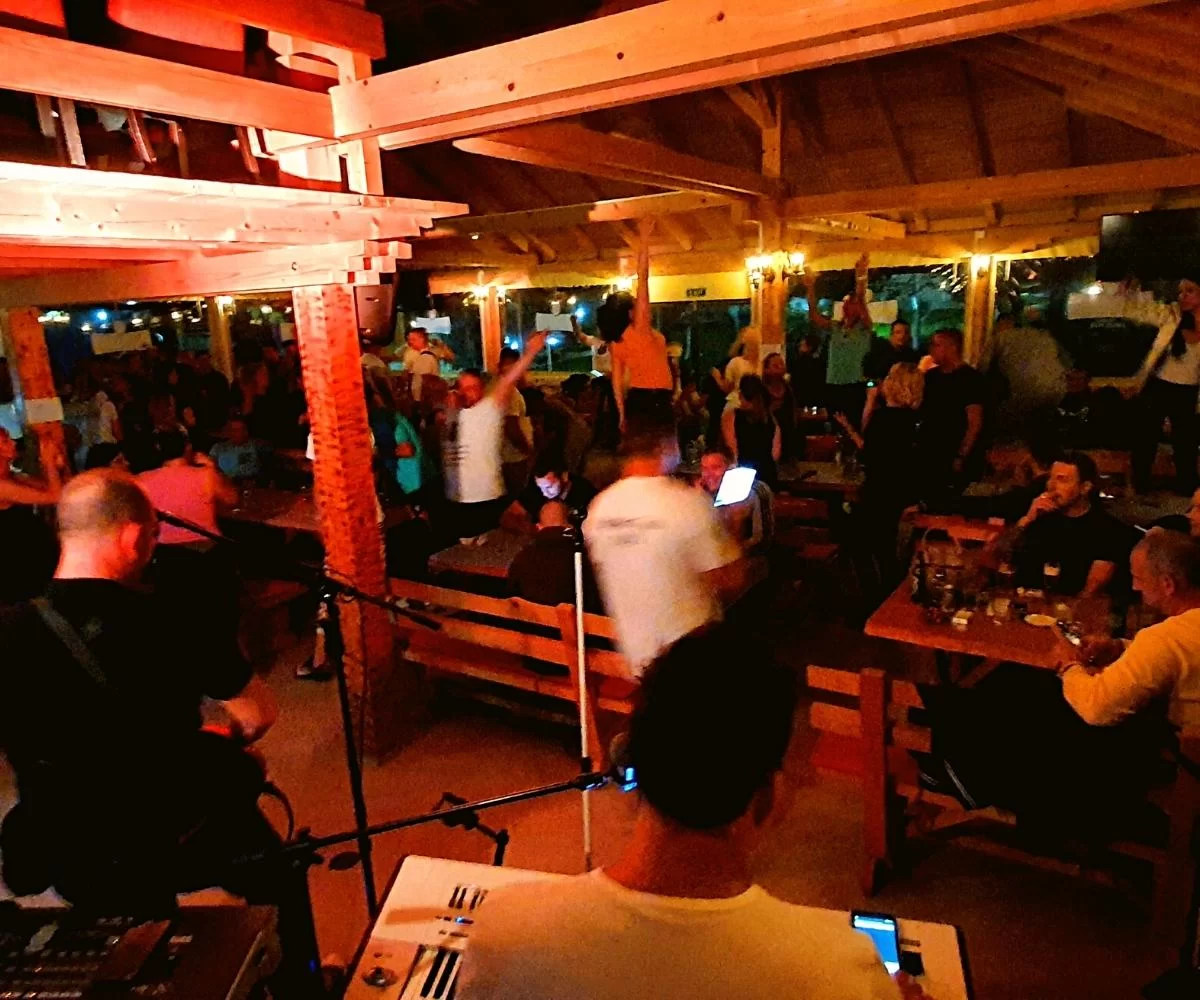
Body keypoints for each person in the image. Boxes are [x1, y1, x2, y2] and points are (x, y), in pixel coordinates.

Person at [458, 628, 906, 1000]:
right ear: (767, 798)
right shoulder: (841, 971)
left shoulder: (504, 930)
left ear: (629, 762)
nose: (808, 777)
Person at [0, 471, 317, 991]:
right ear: (131, 537)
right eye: (151, 538)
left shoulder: (8, 630)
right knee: (278, 871)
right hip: (171, 827)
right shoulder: (170, 615)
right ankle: (302, 986)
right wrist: (225, 739)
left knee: (137, 945)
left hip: (71, 842)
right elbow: (258, 713)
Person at [918, 529, 1200, 839]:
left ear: (1168, 584)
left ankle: (958, 769)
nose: (1134, 586)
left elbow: (1096, 708)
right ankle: (955, 757)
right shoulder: (1186, 629)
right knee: (1022, 688)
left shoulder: (1165, 639)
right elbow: (1174, 658)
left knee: (1020, 700)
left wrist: (1068, 665)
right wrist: (1119, 647)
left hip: (1167, 761)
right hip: (1173, 745)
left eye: (1139, 579)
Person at [585, 414, 745, 674]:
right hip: (692, 657)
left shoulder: (599, 509)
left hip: (636, 658)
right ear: (666, 445)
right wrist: (734, 522)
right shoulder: (685, 503)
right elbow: (731, 578)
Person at [443, 333, 547, 544]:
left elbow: (508, 381)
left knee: (501, 539)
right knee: (468, 547)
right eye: (464, 388)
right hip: (459, 497)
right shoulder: (452, 415)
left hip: (486, 494)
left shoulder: (487, 411)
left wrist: (531, 352)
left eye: (474, 388)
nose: (468, 393)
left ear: (481, 389)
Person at [836, 362, 923, 593]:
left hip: (879, 492)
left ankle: (875, 596)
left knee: (860, 546)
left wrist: (869, 402)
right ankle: (889, 595)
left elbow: (868, 451)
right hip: (902, 494)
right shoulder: (914, 420)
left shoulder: (884, 417)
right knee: (888, 550)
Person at [1009, 452, 1136, 597]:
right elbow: (997, 558)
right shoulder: (1039, 516)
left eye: (1061, 480)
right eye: (1050, 478)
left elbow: (1090, 592)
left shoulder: (1107, 530)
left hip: (1067, 607)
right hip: (1022, 602)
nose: (1051, 486)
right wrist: (1026, 520)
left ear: (1085, 487)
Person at [1130, 276, 1200, 495]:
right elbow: (1140, 312)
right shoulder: (1173, 315)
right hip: (1159, 384)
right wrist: (1134, 292)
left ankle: (1186, 488)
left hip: (1188, 389)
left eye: (1189, 291)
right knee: (1146, 437)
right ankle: (1141, 484)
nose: (1182, 296)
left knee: (1185, 442)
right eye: (1180, 291)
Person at [916, 328, 987, 507]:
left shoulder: (971, 379)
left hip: (952, 451)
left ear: (952, 347)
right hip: (929, 451)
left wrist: (961, 455)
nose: (931, 350)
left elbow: (974, 422)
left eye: (936, 345)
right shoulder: (930, 377)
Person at [0, 427, 62, 605]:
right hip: (16, 557)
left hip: (30, 549)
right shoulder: (2, 486)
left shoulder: (14, 476)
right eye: (5, 441)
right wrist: (49, 464)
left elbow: (53, 489)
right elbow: (55, 497)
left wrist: (54, 464)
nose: (13, 443)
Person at [508, 500, 599, 610]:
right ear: (570, 525)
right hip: (577, 619)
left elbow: (512, 594)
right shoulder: (583, 557)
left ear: (538, 527)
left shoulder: (523, 557)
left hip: (531, 619)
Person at [697, 448, 773, 553]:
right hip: (716, 555)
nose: (708, 474)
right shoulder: (704, 491)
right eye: (704, 469)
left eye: (715, 467)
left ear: (732, 468)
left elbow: (761, 541)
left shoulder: (755, 490)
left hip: (749, 557)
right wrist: (699, 499)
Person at [721, 374, 781, 490]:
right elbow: (775, 453)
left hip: (743, 474)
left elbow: (732, 450)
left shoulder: (731, 417)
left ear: (741, 394)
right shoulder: (770, 419)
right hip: (767, 475)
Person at [508, 451, 597, 529]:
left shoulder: (584, 492)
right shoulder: (535, 490)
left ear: (564, 477)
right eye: (540, 488)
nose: (544, 493)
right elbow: (511, 516)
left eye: (549, 487)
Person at [862, 320, 917, 430]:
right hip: (878, 391)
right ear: (891, 334)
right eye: (898, 332)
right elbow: (867, 375)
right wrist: (875, 387)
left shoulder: (911, 355)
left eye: (905, 332)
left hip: (901, 396)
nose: (902, 336)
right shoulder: (878, 352)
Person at [497, 346, 536, 497]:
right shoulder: (510, 393)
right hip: (513, 456)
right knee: (516, 496)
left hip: (506, 455)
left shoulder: (498, 388)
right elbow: (511, 426)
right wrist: (527, 449)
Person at [403, 325, 454, 403]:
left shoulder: (427, 356)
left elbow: (426, 381)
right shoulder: (410, 353)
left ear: (421, 339)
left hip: (423, 400)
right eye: (409, 339)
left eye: (413, 339)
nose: (410, 342)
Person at [762, 351, 797, 460]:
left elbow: (793, 412)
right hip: (768, 435)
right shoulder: (761, 390)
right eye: (775, 365)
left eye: (782, 364)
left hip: (788, 434)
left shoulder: (788, 388)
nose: (780, 367)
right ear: (766, 369)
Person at [711, 326, 762, 401]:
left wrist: (717, 378)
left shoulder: (735, 362)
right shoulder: (761, 364)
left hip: (737, 401)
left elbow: (727, 389)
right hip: (754, 402)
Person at [209, 416, 265, 483]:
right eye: (231, 430)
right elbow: (210, 468)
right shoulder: (218, 448)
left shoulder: (257, 447)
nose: (233, 433)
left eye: (237, 430)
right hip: (223, 484)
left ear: (245, 432)